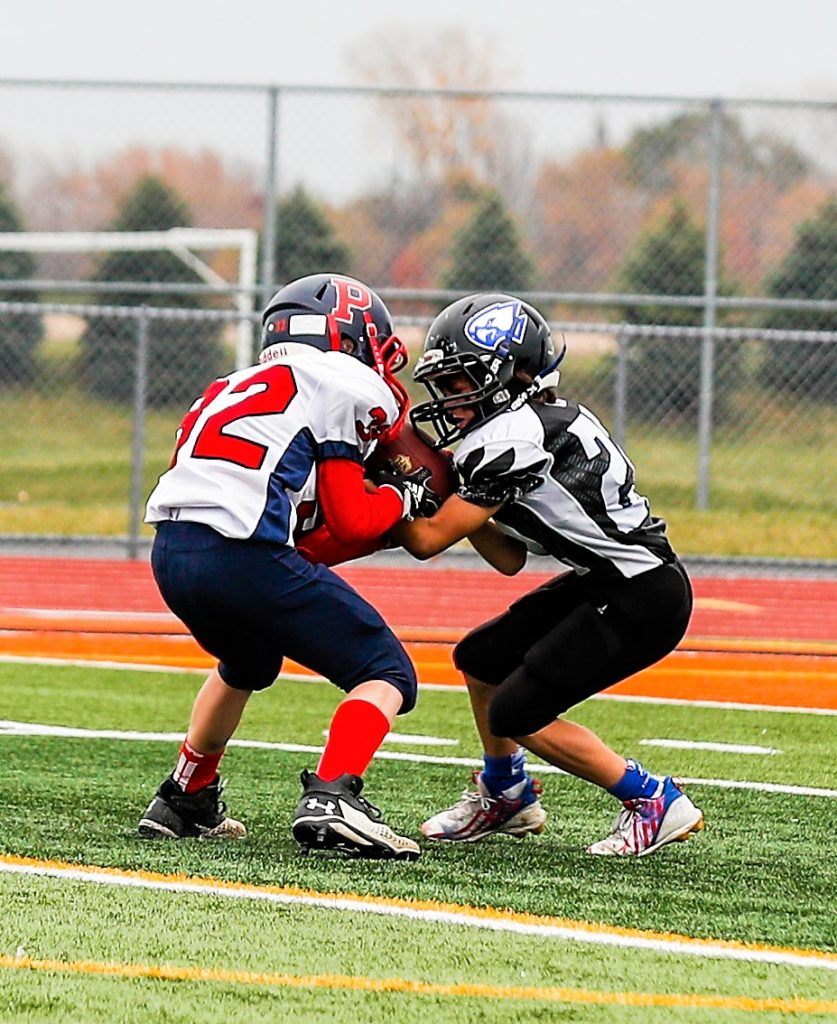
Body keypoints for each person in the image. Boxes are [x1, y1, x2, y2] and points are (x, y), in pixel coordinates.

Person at [138, 273, 439, 860]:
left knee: (249, 659)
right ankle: (334, 794)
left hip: (172, 554)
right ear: (348, 337)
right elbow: (352, 520)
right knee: (387, 671)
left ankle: (185, 794)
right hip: (243, 554)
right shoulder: (340, 379)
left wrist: (368, 524)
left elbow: (305, 535)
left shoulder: (230, 385)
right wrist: (402, 500)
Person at [394, 293, 705, 857]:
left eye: (464, 384)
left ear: (514, 373)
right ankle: (507, 792)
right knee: (481, 659)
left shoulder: (508, 437)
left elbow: (427, 541)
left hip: (641, 594)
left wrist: (392, 496)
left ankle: (653, 799)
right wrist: (444, 497)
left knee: (519, 711)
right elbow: (508, 558)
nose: (451, 401)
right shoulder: (531, 422)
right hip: (614, 578)